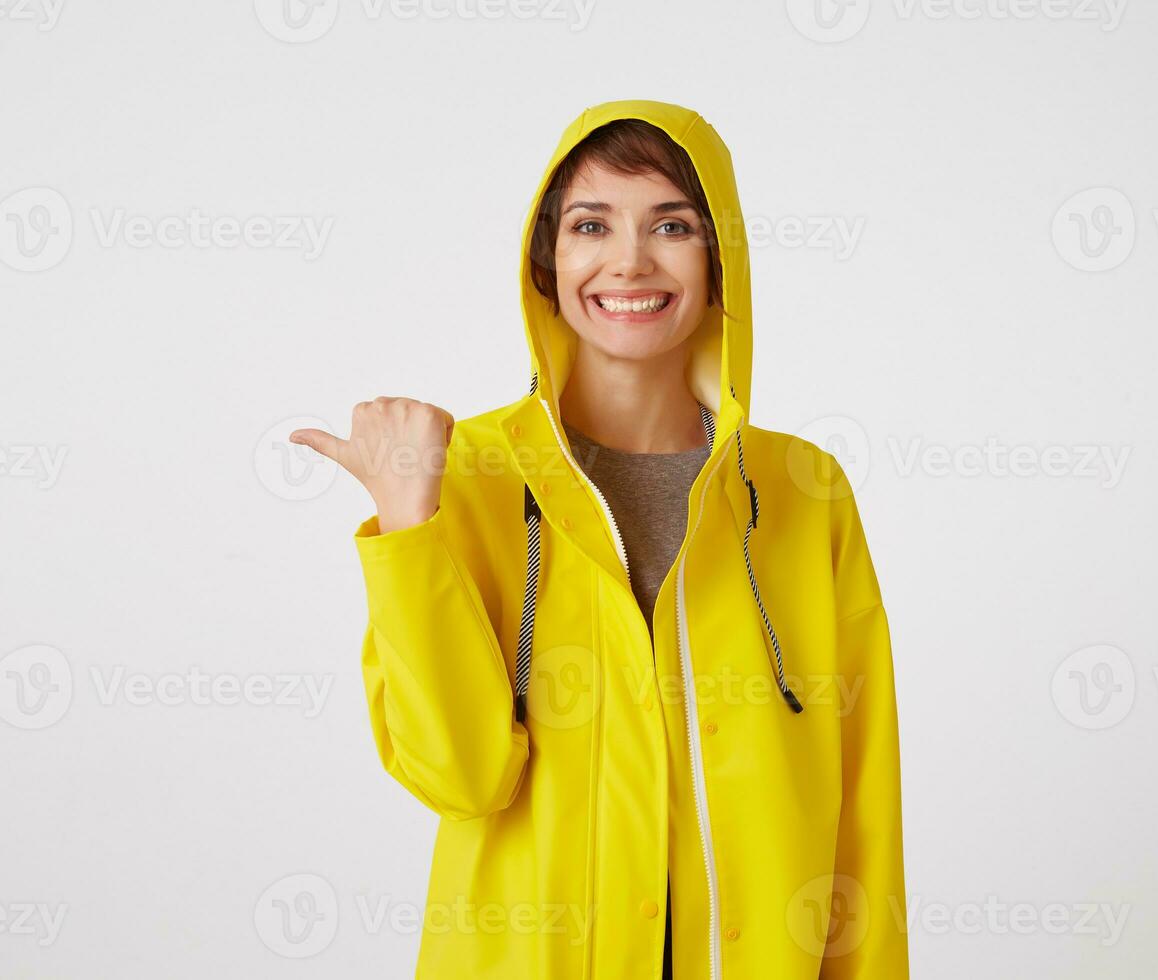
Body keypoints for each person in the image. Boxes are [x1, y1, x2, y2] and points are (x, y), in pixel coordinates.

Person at [290, 99, 908, 980]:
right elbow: (460, 777)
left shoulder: (803, 492)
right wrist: (405, 523)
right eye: (591, 224)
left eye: (672, 224)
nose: (629, 260)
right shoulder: (459, 473)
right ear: (547, 261)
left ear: (719, 259)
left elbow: (863, 812)